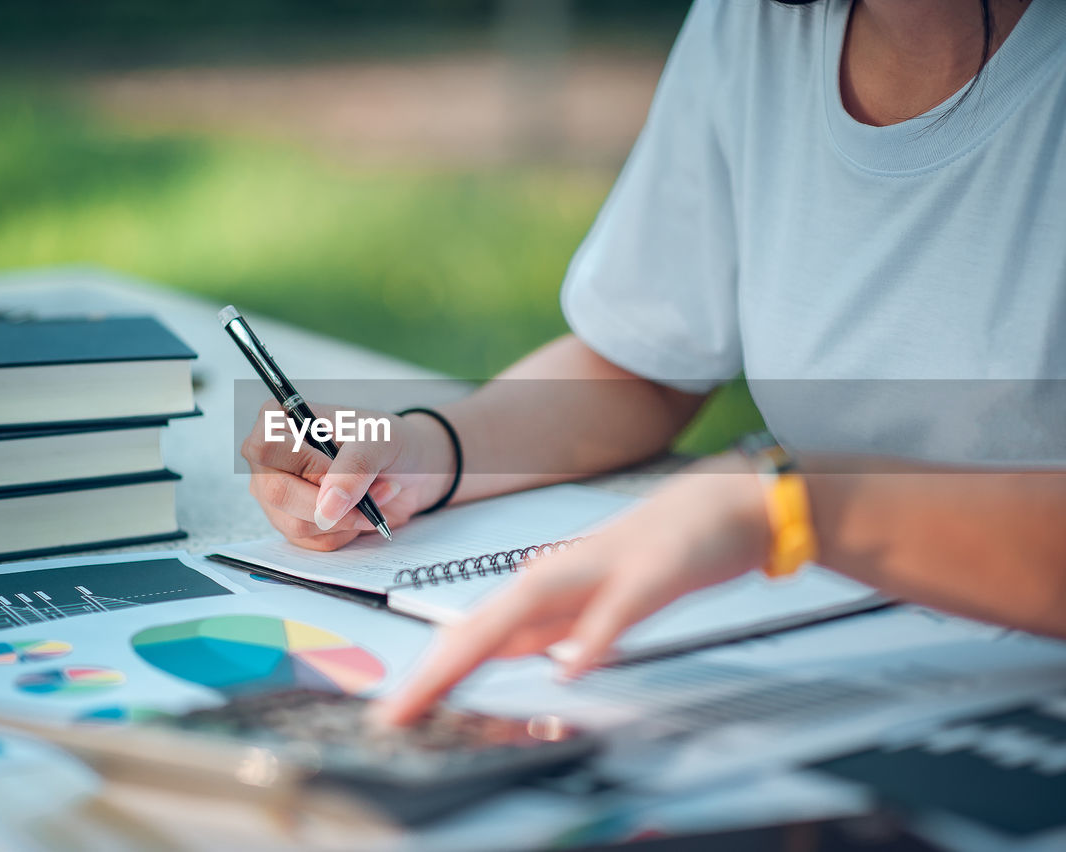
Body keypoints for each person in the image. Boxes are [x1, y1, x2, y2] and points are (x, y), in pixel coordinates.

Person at [240, 0, 1066, 725]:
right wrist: (422, 454)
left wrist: (782, 508)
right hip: (843, 682)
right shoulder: (755, 24)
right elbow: (642, 361)